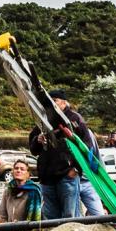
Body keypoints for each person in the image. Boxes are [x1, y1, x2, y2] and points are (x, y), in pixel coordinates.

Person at [28, 89, 91, 220]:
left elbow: (87, 146)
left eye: (54, 101)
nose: (51, 104)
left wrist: (76, 169)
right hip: (47, 177)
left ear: (64, 102)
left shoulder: (74, 119)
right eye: (49, 101)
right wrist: (37, 140)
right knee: (50, 217)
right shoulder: (43, 120)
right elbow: (33, 149)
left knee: (70, 216)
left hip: (67, 175)